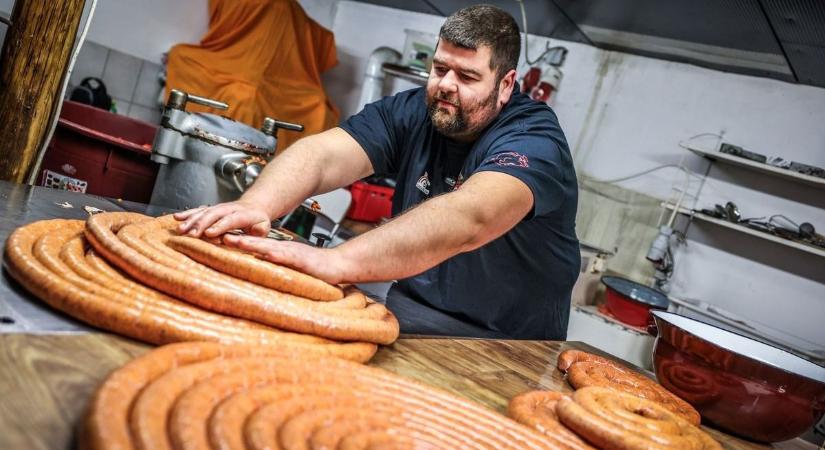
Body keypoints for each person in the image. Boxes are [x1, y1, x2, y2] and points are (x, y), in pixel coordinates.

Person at [176, 4, 580, 339]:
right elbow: (323, 154)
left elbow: (472, 216)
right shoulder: (414, 110)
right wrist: (257, 205)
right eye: (440, 69)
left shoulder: (533, 138)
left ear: (506, 85)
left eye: (468, 76)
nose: (446, 86)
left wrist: (337, 262)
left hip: (507, 346)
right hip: (410, 317)